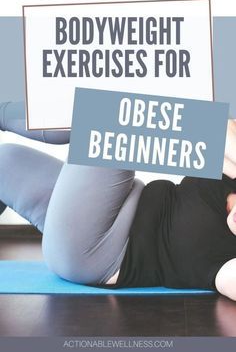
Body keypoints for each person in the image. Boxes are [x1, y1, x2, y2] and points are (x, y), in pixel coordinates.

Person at [1, 101, 236, 301]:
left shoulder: (227, 265)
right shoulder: (230, 172)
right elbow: (217, 130)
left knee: (108, 118)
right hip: (112, 203)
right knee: (5, 161)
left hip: (98, 251)